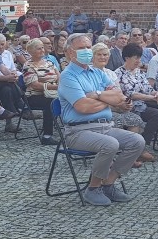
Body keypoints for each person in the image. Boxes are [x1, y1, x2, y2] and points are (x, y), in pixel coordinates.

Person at [58, 33, 144, 206]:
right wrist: (107, 101)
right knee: (110, 144)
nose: (87, 51)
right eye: (81, 48)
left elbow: (119, 96)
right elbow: (82, 107)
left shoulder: (97, 73)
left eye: (88, 47)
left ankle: (109, 183)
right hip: (78, 131)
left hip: (105, 126)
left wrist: (97, 95)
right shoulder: (68, 76)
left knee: (137, 141)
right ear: (69, 52)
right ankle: (93, 188)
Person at [117, 43, 158, 163]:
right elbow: (131, 94)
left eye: (139, 58)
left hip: (145, 101)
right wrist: (151, 98)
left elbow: (148, 89)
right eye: (136, 58)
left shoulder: (138, 72)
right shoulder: (120, 74)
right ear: (127, 58)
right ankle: (141, 147)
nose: (139, 61)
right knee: (157, 115)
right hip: (133, 105)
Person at [22, 39, 59, 145]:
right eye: (39, 48)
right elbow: (34, 85)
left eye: (42, 47)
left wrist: (59, 85)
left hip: (52, 92)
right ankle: (47, 136)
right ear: (31, 51)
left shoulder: (49, 63)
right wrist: (54, 87)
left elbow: (59, 76)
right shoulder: (28, 66)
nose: (42, 50)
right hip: (34, 96)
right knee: (51, 102)